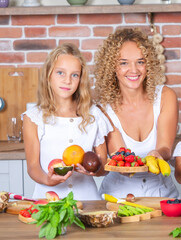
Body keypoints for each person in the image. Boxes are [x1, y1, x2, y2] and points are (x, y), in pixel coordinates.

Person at [94, 28, 179, 198]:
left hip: (162, 195)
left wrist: (158, 154)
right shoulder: (103, 108)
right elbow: (122, 157)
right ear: (112, 67)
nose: (134, 70)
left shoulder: (165, 96)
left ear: (149, 64)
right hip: (118, 198)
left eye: (140, 62)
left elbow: (165, 148)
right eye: (124, 63)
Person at [22, 43, 113, 200]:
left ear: (80, 80)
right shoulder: (34, 117)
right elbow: (33, 167)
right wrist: (47, 180)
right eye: (60, 73)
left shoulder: (93, 114)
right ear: (48, 75)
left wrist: (95, 171)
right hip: (48, 202)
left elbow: (104, 164)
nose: (67, 81)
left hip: (88, 202)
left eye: (74, 75)